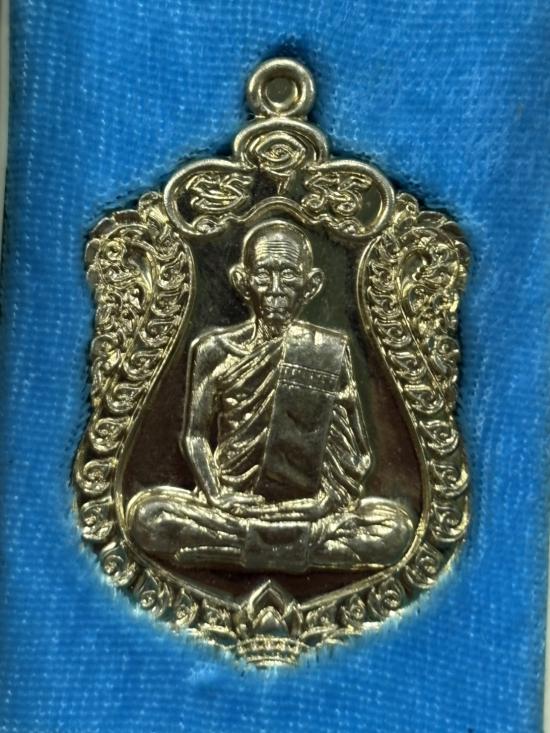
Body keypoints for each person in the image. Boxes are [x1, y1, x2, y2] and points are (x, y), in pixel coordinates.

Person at [127, 219, 414, 573]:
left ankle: (238, 548)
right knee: (148, 518)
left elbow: (358, 456)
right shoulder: (214, 350)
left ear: (311, 285)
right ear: (242, 281)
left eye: (289, 276)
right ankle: (291, 549)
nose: (276, 289)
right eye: (264, 275)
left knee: (395, 529)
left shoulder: (327, 352)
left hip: (306, 513)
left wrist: (324, 504)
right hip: (232, 509)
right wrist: (218, 495)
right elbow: (195, 435)